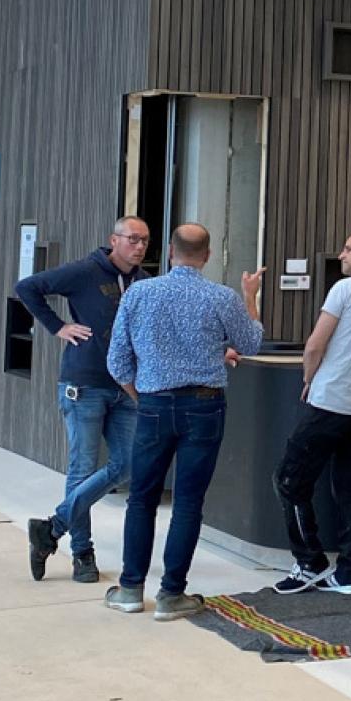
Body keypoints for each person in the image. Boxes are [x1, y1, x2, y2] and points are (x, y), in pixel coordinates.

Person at [103, 223, 264, 620]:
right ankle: (172, 594)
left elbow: (117, 362)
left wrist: (143, 398)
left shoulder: (139, 293)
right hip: (205, 407)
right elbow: (251, 343)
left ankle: (129, 589)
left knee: (141, 498)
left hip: (153, 405)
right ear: (206, 256)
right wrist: (250, 296)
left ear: (171, 252)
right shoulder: (222, 297)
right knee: (188, 502)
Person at [13, 217, 150, 584]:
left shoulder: (143, 281)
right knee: (83, 469)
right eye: (133, 239)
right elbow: (27, 287)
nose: (139, 246)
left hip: (126, 387)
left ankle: (51, 529)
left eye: (145, 241)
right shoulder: (85, 271)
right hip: (84, 385)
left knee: (126, 465)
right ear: (114, 240)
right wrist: (58, 327)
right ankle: (82, 553)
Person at [272, 230, 351, 596]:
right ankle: (348, 573)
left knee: (289, 480)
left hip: (332, 401)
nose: (341, 255)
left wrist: (309, 379)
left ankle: (309, 562)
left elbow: (315, 345)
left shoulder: (346, 289)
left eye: (348, 248)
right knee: (350, 488)